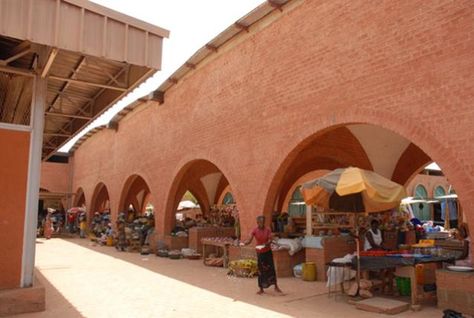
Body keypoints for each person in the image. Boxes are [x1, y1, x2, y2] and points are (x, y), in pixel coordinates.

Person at [241, 215, 282, 295]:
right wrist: (244, 243)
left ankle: (276, 286)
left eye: (263, 222)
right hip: (260, 253)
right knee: (261, 270)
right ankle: (261, 289)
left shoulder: (267, 230)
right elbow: (249, 240)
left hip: (268, 252)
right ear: (257, 222)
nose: (262, 223)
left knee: (271, 269)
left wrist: (270, 241)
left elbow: (270, 238)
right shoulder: (255, 231)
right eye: (260, 222)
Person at [364, 219, 393, 294]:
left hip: (378, 249)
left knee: (388, 255)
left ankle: (386, 278)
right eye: (374, 225)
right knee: (383, 257)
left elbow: (382, 242)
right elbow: (372, 244)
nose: (375, 227)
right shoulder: (368, 233)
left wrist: (386, 247)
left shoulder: (379, 231)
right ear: (371, 225)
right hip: (369, 250)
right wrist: (383, 248)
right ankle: (381, 274)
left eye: (376, 225)